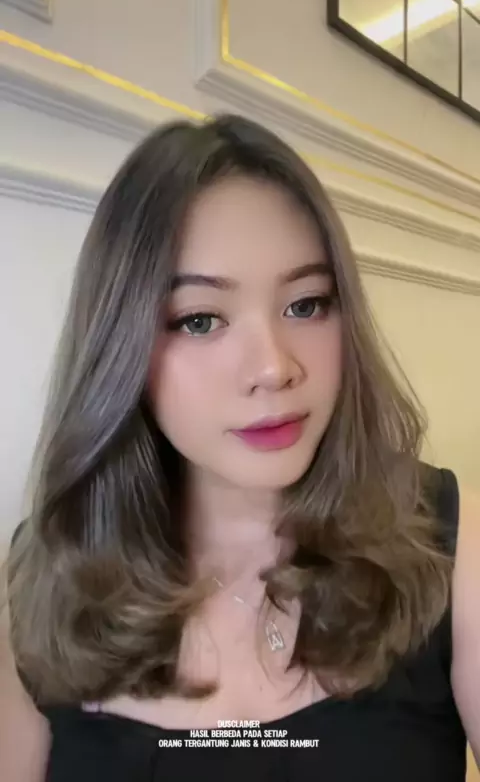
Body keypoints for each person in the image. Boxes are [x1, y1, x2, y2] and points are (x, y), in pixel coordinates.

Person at [1, 114, 479, 782]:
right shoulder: (43, 576)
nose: (274, 367)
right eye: (200, 320)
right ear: (121, 346)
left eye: (306, 305)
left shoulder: (447, 538)